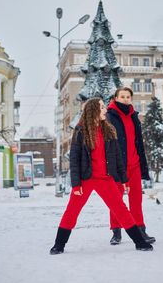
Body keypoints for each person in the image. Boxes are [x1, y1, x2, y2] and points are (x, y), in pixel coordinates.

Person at [50, 98, 153, 254]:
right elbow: (74, 159)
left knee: (121, 209)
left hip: (106, 178)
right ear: (94, 110)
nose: (105, 110)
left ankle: (139, 242)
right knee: (72, 210)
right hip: (86, 179)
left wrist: (124, 179)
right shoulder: (81, 130)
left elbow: (118, 157)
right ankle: (59, 245)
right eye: (102, 107)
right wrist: (76, 184)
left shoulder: (108, 130)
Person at [107, 87, 156, 245]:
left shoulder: (134, 116)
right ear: (116, 98)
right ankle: (116, 232)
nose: (126, 99)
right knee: (117, 199)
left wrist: (142, 163)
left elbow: (138, 141)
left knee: (136, 199)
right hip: (118, 167)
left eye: (128, 96)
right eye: (122, 96)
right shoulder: (109, 116)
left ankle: (140, 230)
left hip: (134, 164)